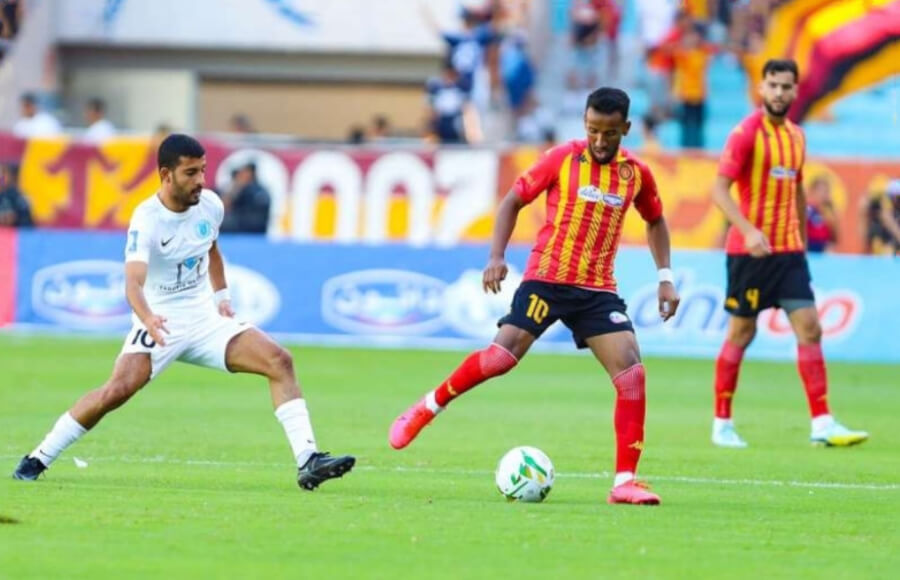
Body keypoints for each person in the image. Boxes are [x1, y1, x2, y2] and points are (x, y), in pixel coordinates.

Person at [12, 134, 355, 489]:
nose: (201, 181)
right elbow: (132, 284)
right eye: (191, 173)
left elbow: (212, 250)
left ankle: (308, 461)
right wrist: (148, 319)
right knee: (116, 391)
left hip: (205, 319)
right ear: (166, 174)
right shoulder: (147, 219)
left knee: (279, 360)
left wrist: (221, 295)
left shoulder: (210, 205)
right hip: (160, 320)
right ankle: (38, 457)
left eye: (203, 171)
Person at [390, 88, 681, 506]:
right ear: (584, 123)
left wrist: (665, 277)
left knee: (632, 372)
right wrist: (496, 255)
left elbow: (655, 220)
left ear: (626, 130)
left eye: (611, 133)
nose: (600, 141)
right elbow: (513, 200)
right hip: (547, 279)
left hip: (597, 290)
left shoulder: (635, 174)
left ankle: (624, 482)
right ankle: (428, 406)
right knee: (500, 359)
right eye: (593, 130)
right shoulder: (562, 158)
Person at [710, 59, 867, 448]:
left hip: (788, 253)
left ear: (796, 91)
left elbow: (796, 188)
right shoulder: (745, 134)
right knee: (742, 332)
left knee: (811, 327)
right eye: (773, 86)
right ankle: (722, 423)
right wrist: (746, 231)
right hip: (750, 255)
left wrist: (799, 237)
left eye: (786, 87)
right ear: (762, 89)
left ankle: (822, 423)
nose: (779, 93)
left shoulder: (797, 136)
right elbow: (718, 189)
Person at [220, 162, 271, 234]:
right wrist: (236, 187)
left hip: (252, 231)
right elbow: (223, 207)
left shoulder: (258, 191)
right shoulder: (238, 189)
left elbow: (259, 220)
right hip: (237, 231)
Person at [805, 175, 838, 253]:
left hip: (823, 250)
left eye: (826, 191)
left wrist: (834, 216)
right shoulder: (807, 210)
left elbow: (835, 239)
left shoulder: (828, 212)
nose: (824, 194)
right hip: (810, 249)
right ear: (812, 191)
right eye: (821, 191)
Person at [0, 162, 32, 227]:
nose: (2, 177)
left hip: (14, 233)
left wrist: (14, 219)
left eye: (5, 173)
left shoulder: (18, 196)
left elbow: (26, 223)